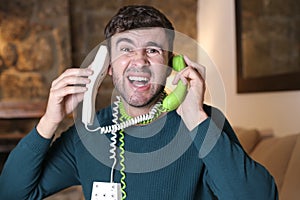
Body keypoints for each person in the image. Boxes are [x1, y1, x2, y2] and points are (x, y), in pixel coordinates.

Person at [0, 5, 278, 200]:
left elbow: (258, 196)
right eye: (126, 49)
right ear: (107, 66)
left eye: (153, 50)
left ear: (171, 64)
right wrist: (49, 122)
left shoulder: (203, 122)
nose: (140, 60)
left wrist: (195, 118)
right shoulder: (89, 134)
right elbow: (12, 193)